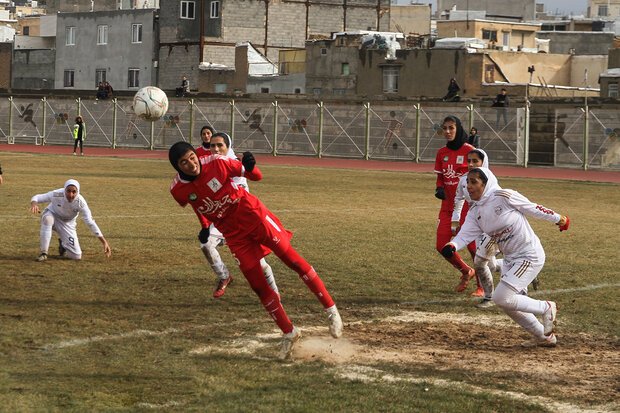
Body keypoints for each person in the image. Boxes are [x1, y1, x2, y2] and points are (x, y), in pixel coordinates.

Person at [168, 142, 343, 360]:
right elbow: (198, 203)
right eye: (184, 162)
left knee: (292, 260)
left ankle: (331, 310)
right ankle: (289, 332)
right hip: (234, 235)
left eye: (192, 158)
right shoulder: (177, 190)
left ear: (196, 155)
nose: (190, 164)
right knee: (257, 285)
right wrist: (204, 226)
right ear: (177, 167)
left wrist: (250, 166)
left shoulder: (217, 162)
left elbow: (256, 176)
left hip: (254, 216)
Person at [442, 167, 569, 347]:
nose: (468, 187)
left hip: (529, 254)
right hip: (511, 259)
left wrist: (559, 219)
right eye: (467, 183)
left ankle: (546, 307)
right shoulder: (475, 211)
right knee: (507, 303)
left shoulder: (504, 196)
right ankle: (545, 337)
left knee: (501, 297)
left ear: (485, 183)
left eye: (473, 182)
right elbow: (464, 235)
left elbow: (533, 208)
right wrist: (452, 246)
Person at [451, 149, 503, 303]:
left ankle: (488, 297)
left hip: (492, 227)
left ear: (483, 162)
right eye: (469, 161)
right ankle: (517, 268)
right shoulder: (463, 180)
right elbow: (458, 199)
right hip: (476, 223)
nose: (471, 164)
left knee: (480, 262)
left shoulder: (490, 180)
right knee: (491, 265)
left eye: (475, 161)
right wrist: (455, 220)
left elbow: (502, 202)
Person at [434, 115, 476, 292]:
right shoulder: (441, 153)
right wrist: (439, 188)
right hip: (447, 208)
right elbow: (440, 178)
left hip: (467, 207)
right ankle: (466, 270)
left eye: (451, 128)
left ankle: (482, 286)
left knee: (474, 248)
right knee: (442, 245)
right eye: (445, 128)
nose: (448, 131)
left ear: (458, 128)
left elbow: (480, 178)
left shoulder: (470, 151)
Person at [30, 179, 112, 262]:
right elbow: (37, 197)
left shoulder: (81, 203)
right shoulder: (58, 194)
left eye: (74, 192)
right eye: (68, 191)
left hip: (67, 224)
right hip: (52, 215)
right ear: (64, 190)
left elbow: (90, 222)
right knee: (47, 219)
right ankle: (44, 253)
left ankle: (63, 244)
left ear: (78, 192)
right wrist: (34, 204)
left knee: (76, 256)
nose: (70, 194)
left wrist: (104, 242)